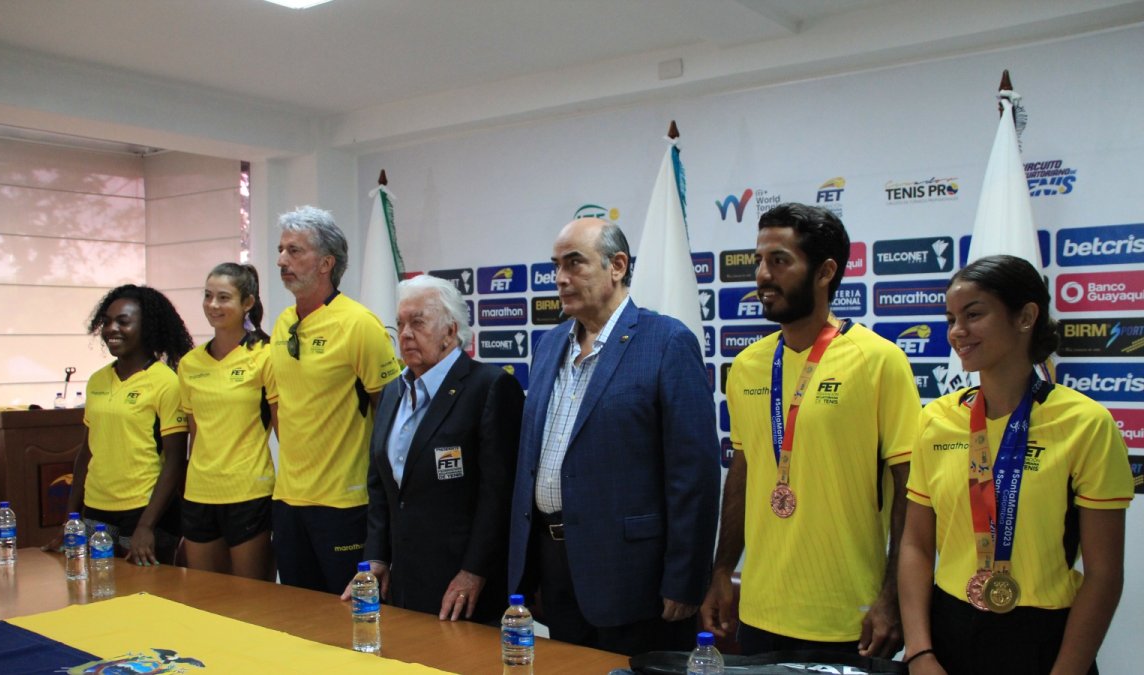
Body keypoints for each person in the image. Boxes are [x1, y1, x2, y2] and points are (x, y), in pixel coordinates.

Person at [701, 202, 921, 657]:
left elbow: (910, 492)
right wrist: (722, 569)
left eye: (780, 261)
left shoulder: (879, 361)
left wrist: (892, 597)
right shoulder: (746, 365)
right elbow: (743, 473)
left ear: (824, 272)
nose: (762, 275)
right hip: (760, 613)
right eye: (759, 260)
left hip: (850, 618)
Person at [899, 255, 1133, 675]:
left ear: (1025, 316)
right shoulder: (936, 419)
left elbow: (1103, 573)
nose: (957, 332)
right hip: (948, 631)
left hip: (1043, 640)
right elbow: (915, 543)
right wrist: (919, 651)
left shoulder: (1085, 424)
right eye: (951, 318)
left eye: (974, 314)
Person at [506, 217, 720, 655]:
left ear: (617, 266)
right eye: (555, 266)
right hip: (555, 569)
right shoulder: (549, 345)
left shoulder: (666, 342)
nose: (560, 279)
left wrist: (685, 579)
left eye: (575, 263)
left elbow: (693, 477)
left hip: (634, 579)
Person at [342, 275, 523, 623]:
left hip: (464, 585)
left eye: (418, 322)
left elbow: (499, 496)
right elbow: (380, 483)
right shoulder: (394, 390)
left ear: (450, 331)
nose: (405, 334)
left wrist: (474, 571)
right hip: (403, 578)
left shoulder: (490, 388)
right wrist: (377, 557)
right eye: (400, 324)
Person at [270, 205, 400, 594]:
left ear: (326, 262)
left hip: (344, 505)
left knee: (350, 616)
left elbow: (390, 411)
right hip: (288, 500)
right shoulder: (282, 322)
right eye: (281, 249)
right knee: (299, 616)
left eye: (295, 251)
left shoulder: (359, 324)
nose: (282, 260)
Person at [49, 284, 194, 566]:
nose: (111, 329)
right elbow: (86, 452)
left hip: (145, 513)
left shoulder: (166, 382)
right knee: (95, 596)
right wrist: (71, 517)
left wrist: (146, 526)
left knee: (146, 600)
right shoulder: (97, 381)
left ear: (147, 327)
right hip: (95, 511)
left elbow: (176, 461)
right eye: (107, 321)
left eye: (123, 322)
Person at [176, 262, 278, 580]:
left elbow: (282, 428)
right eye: (208, 296)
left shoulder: (266, 355)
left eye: (223, 297)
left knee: (252, 600)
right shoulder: (190, 363)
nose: (213, 305)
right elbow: (195, 433)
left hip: (248, 492)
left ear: (247, 302)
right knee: (205, 598)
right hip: (199, 493)